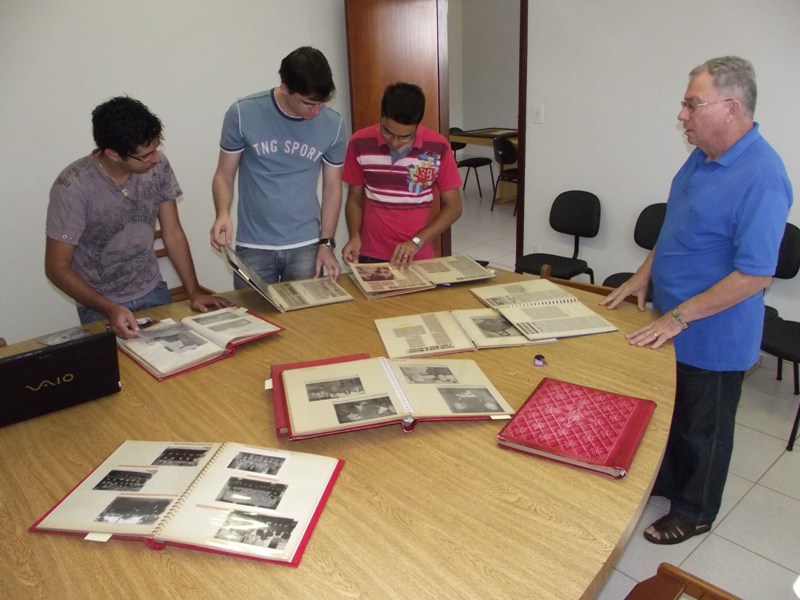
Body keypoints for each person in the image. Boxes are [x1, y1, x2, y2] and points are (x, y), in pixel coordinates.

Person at [601, 56, 792, 544]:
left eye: (692, 104)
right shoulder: (703, 155)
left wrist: (680, 317)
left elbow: (755, 274)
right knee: (675, 413)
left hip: (713, 331)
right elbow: (676, 225)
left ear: (731, 107)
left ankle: (696, 510)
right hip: (674, 319)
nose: (682, 115)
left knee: (704, 427)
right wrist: (645, 274)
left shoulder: (762, 174)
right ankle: (667, 482)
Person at [45, 96, 229, 340]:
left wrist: (193, 291)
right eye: (146, 155)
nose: (155, 158)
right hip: (99, 304)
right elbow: (56, 268)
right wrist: (109, 309)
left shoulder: (157, 166)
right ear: (112, 153)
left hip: (152, 289)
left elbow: (172, 233)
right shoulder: (72, 187)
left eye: (156, 148)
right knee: (122, 373)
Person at [211, 46, 345, 284]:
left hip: (306, 244)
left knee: (305, 319)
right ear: (285, 88)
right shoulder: (243, 113)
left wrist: (326, 242)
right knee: (254, 318)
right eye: (308, 103)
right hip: (253, 244)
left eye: (322, 104)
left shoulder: (333, 124)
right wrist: (222, 212)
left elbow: (333, 187)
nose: (316, 111)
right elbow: (224, 175)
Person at [341, 82, 462, 268]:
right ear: (381, 114)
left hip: (417, 254)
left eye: (405, 136)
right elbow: (354, 199)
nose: (395, 142)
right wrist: (354, 235)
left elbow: (453, 207)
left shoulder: (438, 147)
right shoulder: (359, 142)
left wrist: (416, 242)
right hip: (370, 253)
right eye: (388, 132)